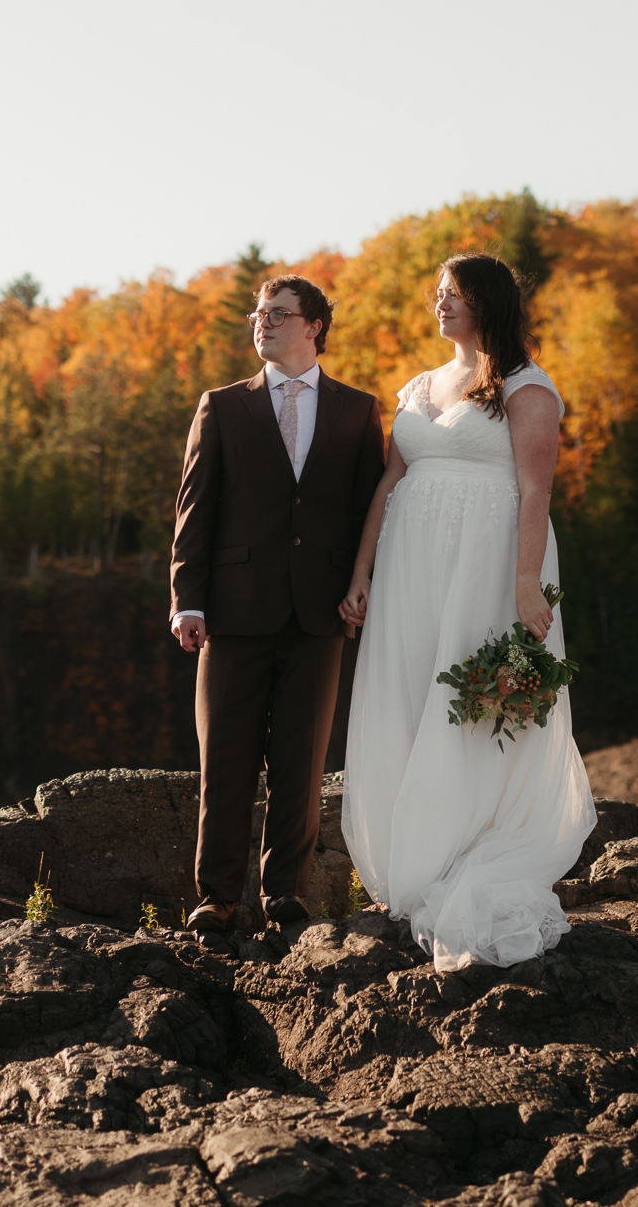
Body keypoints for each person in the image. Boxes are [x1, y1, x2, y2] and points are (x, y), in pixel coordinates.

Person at [338, 252, 597, 971]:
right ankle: (412, 856)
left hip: (486, 572)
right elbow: (390, 483)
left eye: (453, 295)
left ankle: (465, 848)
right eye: (438, 294)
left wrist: (524, 586)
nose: (440, 305)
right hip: (409, 573)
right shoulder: (421, 385)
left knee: (473, 706)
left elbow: (536, 495)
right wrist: (361, 572)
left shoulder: (527, 387)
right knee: (410, 697)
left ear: (488, 302)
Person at [169, 274, 385, 937]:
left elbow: (365, 513)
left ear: (314, 326)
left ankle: (284, 894)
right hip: (231, 612)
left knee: (302, 761)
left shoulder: (357, 409)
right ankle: (216, 897)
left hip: (320, 614)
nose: (262, 322)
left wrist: (363, 584)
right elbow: (193, 510)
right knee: (225, 759)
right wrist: (186, 599)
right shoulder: (222, 405)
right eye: (258, 313)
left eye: (278, 314)